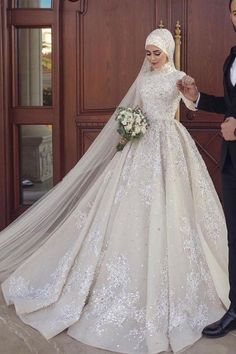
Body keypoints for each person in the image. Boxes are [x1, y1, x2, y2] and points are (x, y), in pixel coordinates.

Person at [0, 29, 230, 354]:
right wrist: (127, 132)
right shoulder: (144, 78)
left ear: (168, 51)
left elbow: (191, 106)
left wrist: (190, 93)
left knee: (176, 208)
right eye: (148, 53)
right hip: (141, 147)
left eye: (156, 53)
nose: (150, 58)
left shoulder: (178, 76)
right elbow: (134, 109)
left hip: (170, 146)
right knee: (125, 212)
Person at [177, 0, 236, 339]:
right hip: (231, 162)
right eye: (234, 10)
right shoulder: (231, 58)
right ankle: (235, 308)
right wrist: (196, 97)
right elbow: (231, 106)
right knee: (235, 239)